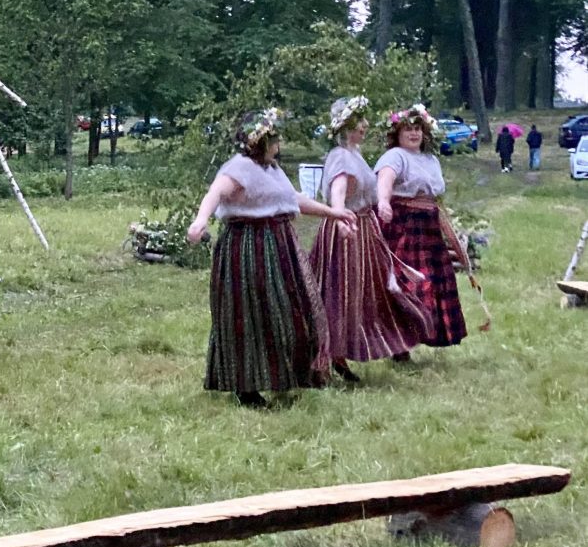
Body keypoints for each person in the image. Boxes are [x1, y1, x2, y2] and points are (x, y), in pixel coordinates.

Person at [186, 109, 356, 408]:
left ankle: (287, 375)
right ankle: (245, 386)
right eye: (274, 138)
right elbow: (216, 192)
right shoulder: (239, 167)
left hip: (279, 244)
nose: (279, 144)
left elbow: (293, 200)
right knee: (249, 314)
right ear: (260, 140)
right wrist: (200, 221)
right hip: (248, 246)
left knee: (295, 310)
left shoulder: (272, 168)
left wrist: (333, 212)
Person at [308, 97, 430, 383]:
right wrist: (340, 218)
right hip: (347, 232)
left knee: (367, 293)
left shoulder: (354, 152)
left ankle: (350, 352)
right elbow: (338, 191)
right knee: (341, 294)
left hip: (363, 229)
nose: (364, 125)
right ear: (346, 126)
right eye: (359, 121)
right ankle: (328, 359)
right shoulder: (341, 156)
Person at [375, 103, 466, 356]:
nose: (414, 133)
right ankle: (399, 345)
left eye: (418, 129)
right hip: (404, 225)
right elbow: (385, 180)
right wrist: (383, 202)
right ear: (397, 134)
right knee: (407, 282)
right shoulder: (394, 156)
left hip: (428, 225)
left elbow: (435, 194)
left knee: (433, 282)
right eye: (408, 129)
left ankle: (425, 334)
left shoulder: (430, 159)